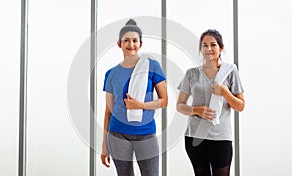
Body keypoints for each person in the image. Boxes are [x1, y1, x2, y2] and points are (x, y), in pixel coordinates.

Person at [101, 19, 168, 176]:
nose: (131, 44)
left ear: (140, 44)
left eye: (134, 40)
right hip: (117, 133)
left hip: (146, 132)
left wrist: (141, 105)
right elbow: (108, 111)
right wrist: (104, 145)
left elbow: (164, 101)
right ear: (119, 44)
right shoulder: (111, 74)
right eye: (126, 40)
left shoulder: (152, 66)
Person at [176, 29, 245, 176]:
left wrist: (225, 93)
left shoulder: (230, 71)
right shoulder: (191, 73)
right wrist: (197, 110)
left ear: (221, 48)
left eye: (213, 45)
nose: (208, 49)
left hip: (221, 137)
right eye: (204, 45)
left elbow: (240, 106)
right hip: (195, 137)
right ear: (200, 49)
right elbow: (180, 105)